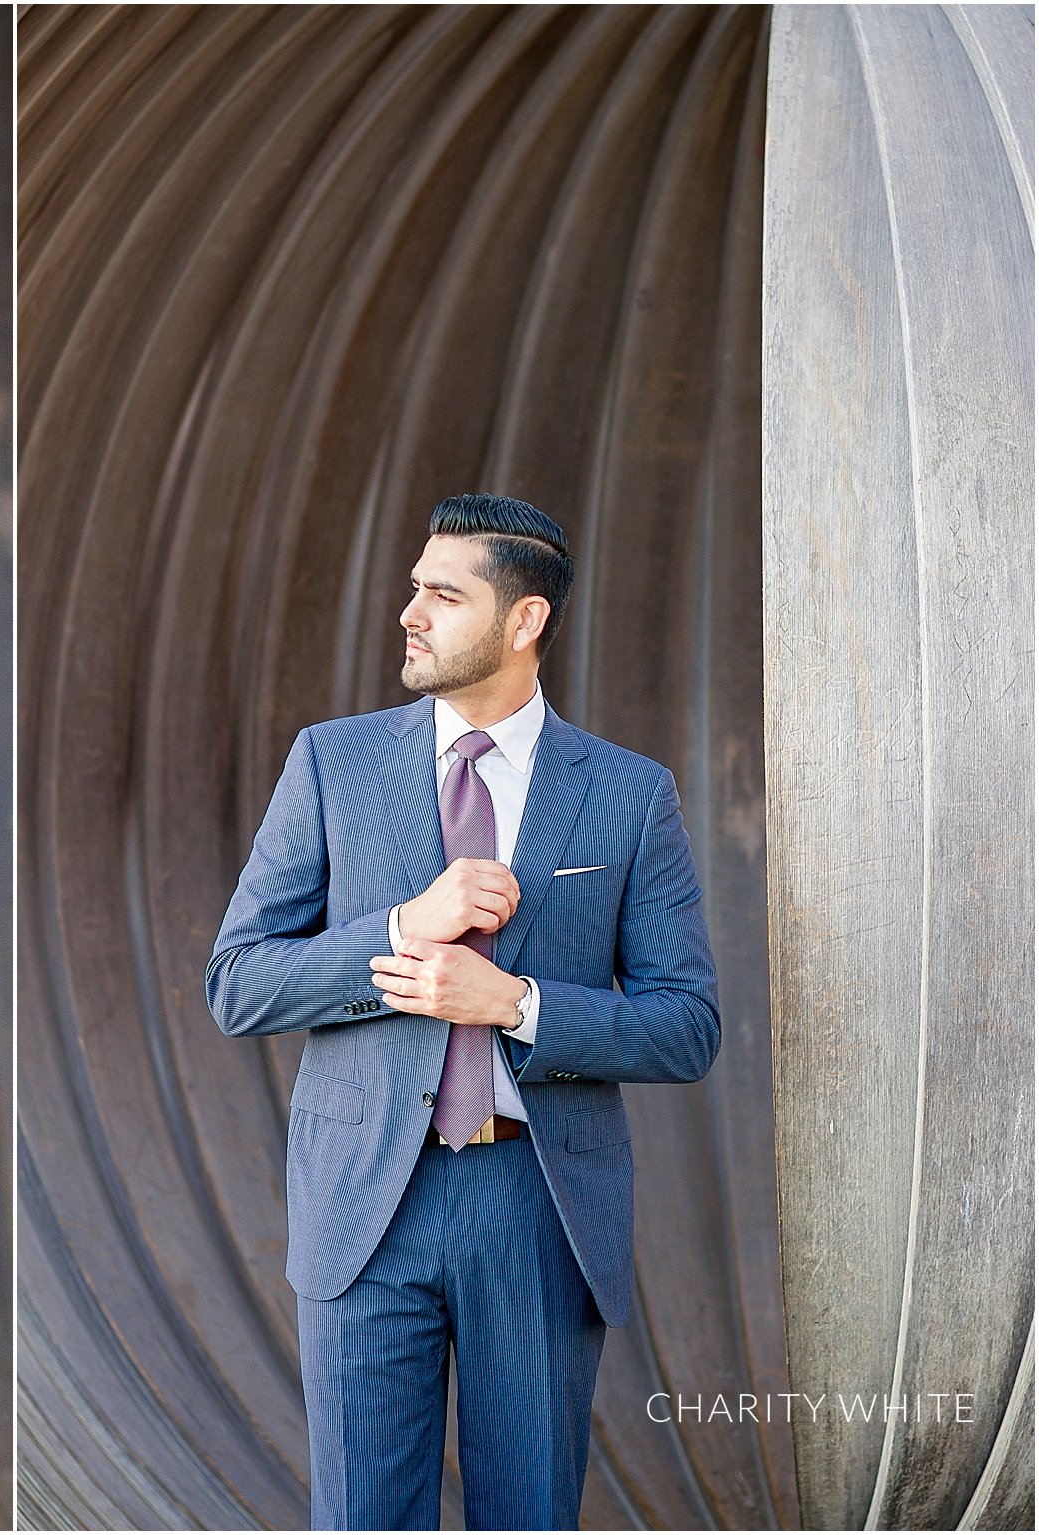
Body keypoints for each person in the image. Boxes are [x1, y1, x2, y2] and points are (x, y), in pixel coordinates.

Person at [205, 494, 719, 1530]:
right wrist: (397, 927)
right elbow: (237, 982)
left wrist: (517, 1003)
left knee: (527, 1513)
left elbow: (685, 1023)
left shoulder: (627, 793)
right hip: (363, 1207)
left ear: (522, 620)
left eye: (442, 593)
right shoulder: (329, 760)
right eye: (412, 588)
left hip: (533, 1206)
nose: (409, 611)